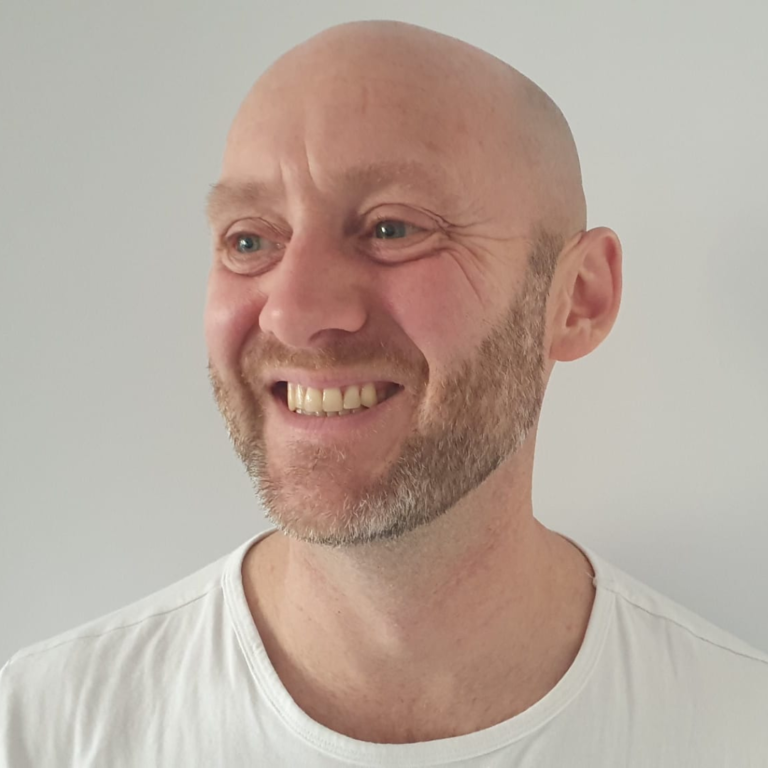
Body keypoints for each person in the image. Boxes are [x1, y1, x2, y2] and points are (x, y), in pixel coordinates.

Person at [2, 19, 767, 767]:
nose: (293, 314)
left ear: (578, 299)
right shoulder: (41, 732)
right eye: (249, 240)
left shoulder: (741, 730)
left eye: (393, 229)